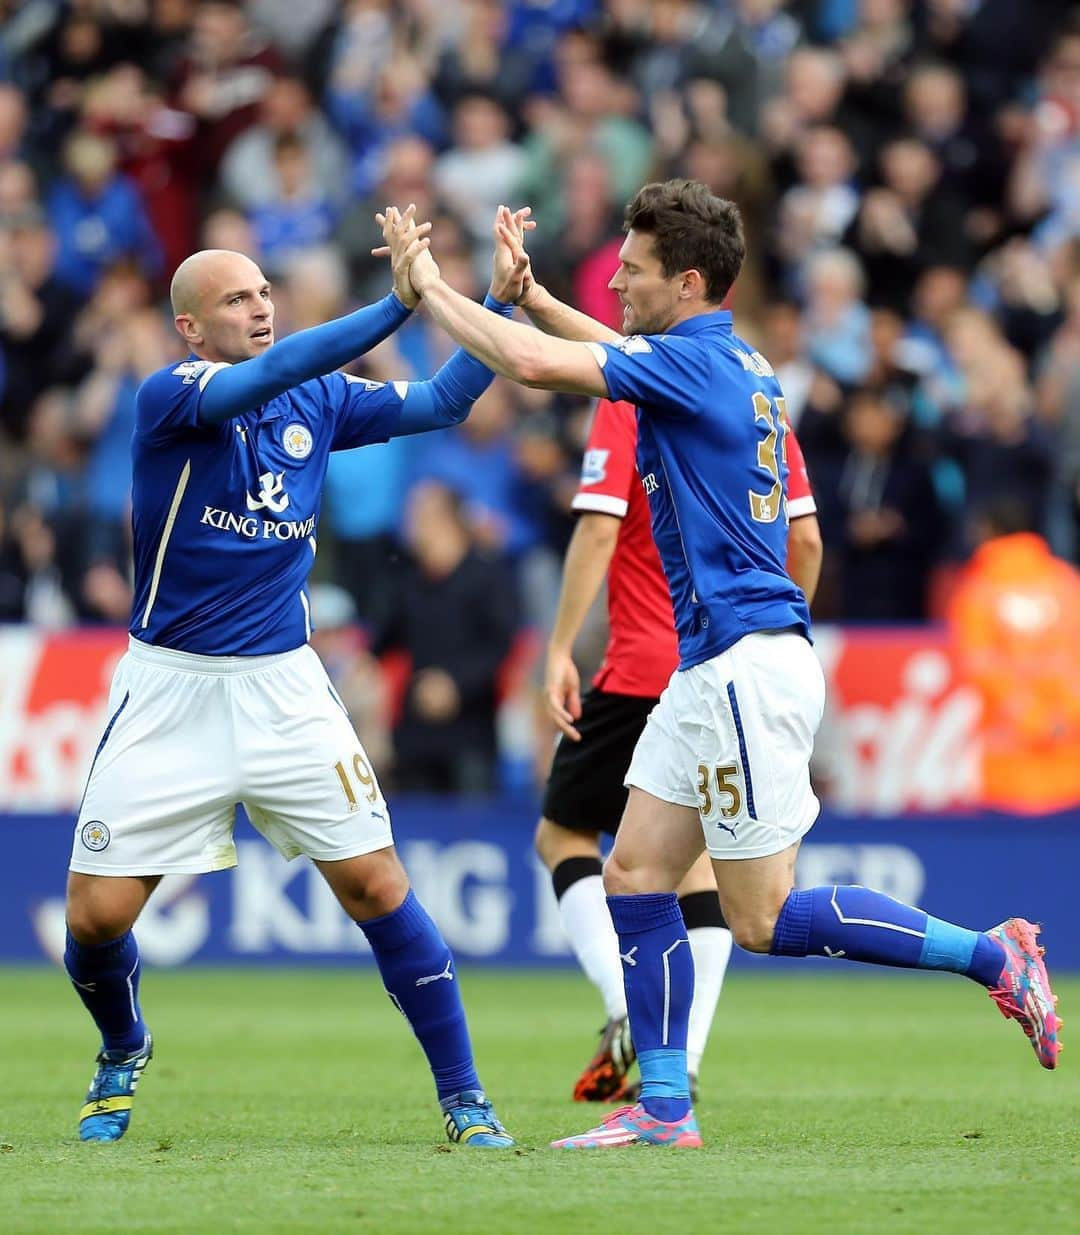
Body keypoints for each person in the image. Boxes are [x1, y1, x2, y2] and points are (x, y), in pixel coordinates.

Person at [382, 182, 1062, 1151]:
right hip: (714, 667)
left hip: (743, 662)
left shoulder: (694, 367)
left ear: (688, 281)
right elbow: (597, 349)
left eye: (635, 269)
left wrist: (428, 291)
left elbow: (534, 366)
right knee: (634, 870)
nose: (616, 277)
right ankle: (663, 1106)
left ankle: (994, 954)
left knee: (761, 915)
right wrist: (527, 293)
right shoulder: (728, 359)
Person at [65, 207, 529, 1148]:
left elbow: (441, 403)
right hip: (171, 688)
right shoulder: (173, 395)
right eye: (237, 299)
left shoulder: (318, 401)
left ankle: (466, 1096)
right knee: (95, 917)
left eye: (266, 292)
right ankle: (125, 1043)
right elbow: (275, 370)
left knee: (378, 887)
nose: (261, 309)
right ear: (192, 327)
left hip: (283, 685)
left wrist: (497, 303)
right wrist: (397, 304)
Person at [540, 393, 822, 1103]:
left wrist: (559, 646)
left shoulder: (634, 391)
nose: (625, 291)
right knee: (699, 872)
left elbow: (600, 528)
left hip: (644, 668)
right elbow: (808, 540)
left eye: (631, 275)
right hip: (739, 662)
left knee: (564, 832)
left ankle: (623, 1004)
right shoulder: (757, 399)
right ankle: (682, 1063)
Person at [946, 498, 1080, 814]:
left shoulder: (978, 590)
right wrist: (1064, 719)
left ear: (988, 531)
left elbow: (979, 666)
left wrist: (1034, 719)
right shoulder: (1067, 582)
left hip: (1006, 768)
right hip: (1071, 760)